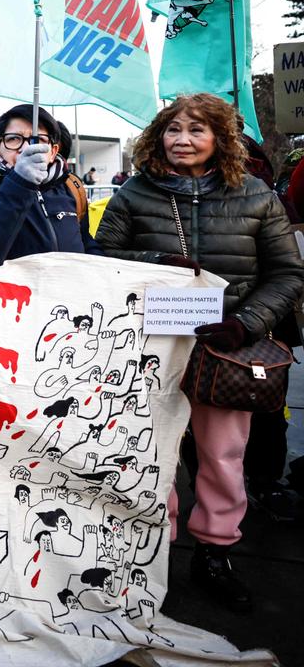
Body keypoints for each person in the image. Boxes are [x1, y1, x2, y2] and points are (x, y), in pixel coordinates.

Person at [93, 95, 303, 613]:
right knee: (148, 455)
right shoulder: (134, 194)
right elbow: (99, 258)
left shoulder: (256, 196)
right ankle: (148, 554)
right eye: (173, 129)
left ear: (219, 139)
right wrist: (153, 260)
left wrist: (244, 323)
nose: (182, 139)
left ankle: (214, 552)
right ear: (158, 136)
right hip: (148, 349)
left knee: (223, 457)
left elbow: (287, 274)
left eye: (197, 130)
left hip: (226, 351)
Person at [0, 104, 97, 267]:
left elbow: (87, 245)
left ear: (53, 152)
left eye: (39, 140)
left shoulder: (71, 186)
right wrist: (19, 182)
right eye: (14, 139)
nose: (26, 149)